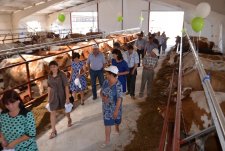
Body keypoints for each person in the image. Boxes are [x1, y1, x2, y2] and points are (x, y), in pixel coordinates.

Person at [100, 65, 123, 148]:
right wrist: (103, 97)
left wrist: (116, 111)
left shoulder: (118, 85)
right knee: (107, 124)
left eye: (107, 73)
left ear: (111, 74)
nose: (106, 74)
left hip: (116, 108)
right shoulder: (106, 82)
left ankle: (117, 127)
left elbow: (119, 99)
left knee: (117, 120)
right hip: (106, 109)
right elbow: (101, 92)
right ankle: (107, 141)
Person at [47, 60, 72, 139]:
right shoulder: (49, 76)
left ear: (57, 67)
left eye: (54, 67)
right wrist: (48, 98)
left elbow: (66, 86)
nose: (53, 68)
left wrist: (67, 98)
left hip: (62, 95)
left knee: (66, 110)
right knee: (52, 112)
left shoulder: (62, 74)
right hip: (53, 97)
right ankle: (53, 131)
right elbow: (49, 87)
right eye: (51, 67)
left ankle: (69, 118)